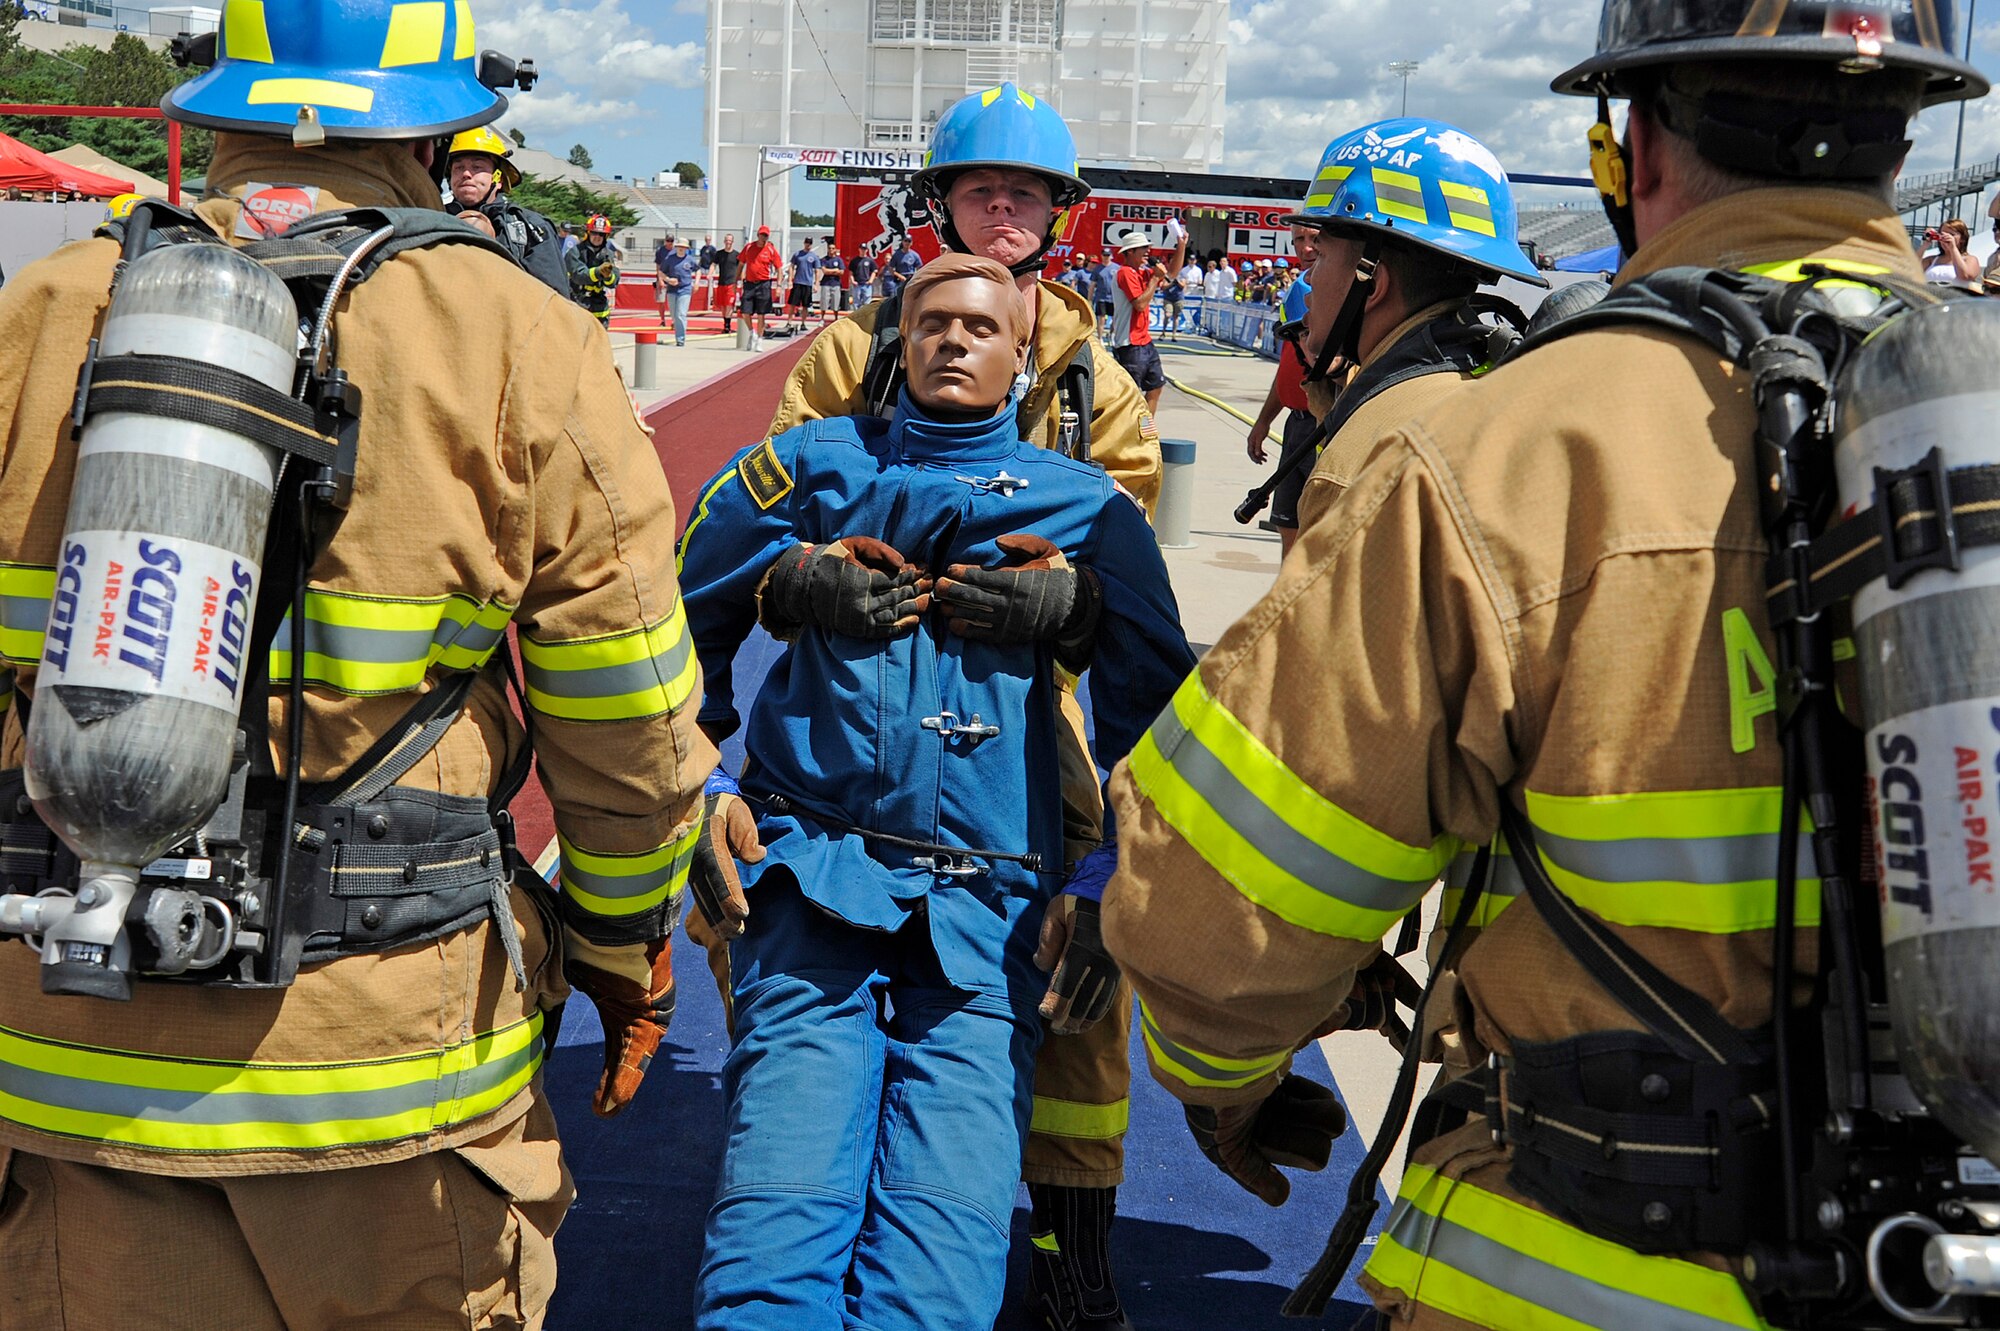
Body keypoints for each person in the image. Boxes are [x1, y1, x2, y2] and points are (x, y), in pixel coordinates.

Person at [1101, 3, 1987, 1328]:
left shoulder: (1517, 444)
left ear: (1632, 143)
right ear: (1904, 133)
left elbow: (1213, 914)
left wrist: (1217, 1075)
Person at [0, 2, 715, 1324]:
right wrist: (625, 944)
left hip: (63, 1050)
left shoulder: (43, 309)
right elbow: (633, 722)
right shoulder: (515, 333)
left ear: (211, 107)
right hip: (388, 1078)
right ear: (444, 125)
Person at [726, 83, 1169, 1331]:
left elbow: (1126, 568)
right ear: (938, 206)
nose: (1003, 211)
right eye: (981, 191)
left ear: (1058, 217)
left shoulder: (1096, 379)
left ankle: (1073, 1253)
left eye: (1024, 196)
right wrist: (797, 580)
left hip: (1034, 723)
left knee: (1073, 994)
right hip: (854, 712)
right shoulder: (852, 347)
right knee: (797, 966)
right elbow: (766, 511)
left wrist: (1064, 607)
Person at [1282, 117, 1546, 530]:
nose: (1309, 277)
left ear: (1371, 284)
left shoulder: (1359, 469)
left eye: (1322, 256)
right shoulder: (1497, 389)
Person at [1243, 224, 1319, 557]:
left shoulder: (1342, 291)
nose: (1306, 248)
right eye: (1298, 240)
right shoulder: (1298, 289)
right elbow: (1289, 365)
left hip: (1323, 425)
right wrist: (1263, 421)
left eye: (1315, 240)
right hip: (1296, 425)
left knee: (1319, 533)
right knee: (1289, 530)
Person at [443, 125, 567, 294]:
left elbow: (554, 300)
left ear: (498, 178)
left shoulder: (532, 229)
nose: (466, 174)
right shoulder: (432, 220)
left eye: (477, 167)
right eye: (458, 167)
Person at [1109, 230, 1181, 416]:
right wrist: (1156, 278)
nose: (1148, 252)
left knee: (1156, 387)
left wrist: (1181, 245)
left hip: (1143, 341)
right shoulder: (1125, 272)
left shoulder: (1142, 272)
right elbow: (1140, 304)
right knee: (1131, 395)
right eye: (1143, 248)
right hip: (1130, 343)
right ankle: (1130, 433)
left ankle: (1145, 431)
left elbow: (1171, 275)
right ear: (1130, 251)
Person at [566, 213, 621, 323]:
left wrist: (608, 276)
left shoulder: (608, 254)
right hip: (576, 302)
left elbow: (614, 282)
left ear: (605, 236)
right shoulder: (575, 252)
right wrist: (598, 272)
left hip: (599, 307)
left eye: (601, 234)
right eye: (594, 233)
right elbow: (578, 276)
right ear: (588, 233)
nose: (597, 237)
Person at [739, 223, 782, 349]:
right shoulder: (749, 248)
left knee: (761, 314)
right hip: (749, 284)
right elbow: (741, 264)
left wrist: (778, 285)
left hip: (764, 284)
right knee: (745, 312)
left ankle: (759, 338)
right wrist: (737, 280)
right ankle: (751, 331)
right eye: (762, 235)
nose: (764, 238)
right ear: (758, 235)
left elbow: (779, 268)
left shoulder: (770, 250)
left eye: (766, 236)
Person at [659, 233, 701, 345]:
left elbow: (698, 270)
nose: (681, 249)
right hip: (672, 290)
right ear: (676, 247)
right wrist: (668, 280)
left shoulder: (690, 260)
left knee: (681, 314)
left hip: (685, 289)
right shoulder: (669, 259)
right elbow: (661, 272)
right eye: (679, 247)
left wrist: (696, 283)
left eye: (684, 247)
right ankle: (676, 326)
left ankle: (680, 339)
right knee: (674, 314)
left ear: (686, 248)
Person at [1921, 217, 1979, 283]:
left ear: (1962, 239)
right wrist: (1924, 245)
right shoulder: (1931, 260)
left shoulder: (1970, 259)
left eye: (1951, 234)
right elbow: (1912, 271)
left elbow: (1965, 276)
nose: (1945, 237)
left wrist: (1953, 248)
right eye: (1942, 234)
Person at [786, 235, 820, 332]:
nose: (808, 245)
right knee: (793, 304)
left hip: (807, 283)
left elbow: (817, 270)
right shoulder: (797, 254)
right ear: (804, 243)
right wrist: (790, 280)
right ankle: (789, 321)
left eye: (809, 243)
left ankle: (803, 323)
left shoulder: (814, 257)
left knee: (805, 305)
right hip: (798, 282)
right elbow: (791, 266)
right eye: (806, 242)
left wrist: (816, 284)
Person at [714, 232, 743, 332]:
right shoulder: (719, 254)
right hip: (721, 282)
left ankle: (727, 326)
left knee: (729, 305)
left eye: (730, 241)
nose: (728, 242)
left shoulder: (737, 255)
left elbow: (741, 268)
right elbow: (713, 264)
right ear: (724, 241)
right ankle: (725, 322)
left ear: (732, 242)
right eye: (726, 240)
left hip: (732, 283)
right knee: (722, 306)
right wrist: (710, 273)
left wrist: (742, 281)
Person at [818, 242, 845, 317]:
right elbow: (825, 271)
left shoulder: (839, 260)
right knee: (824, 302)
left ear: (835, 250)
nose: (831, 250)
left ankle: (835, 318)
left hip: (836, 283)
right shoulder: (824, 259)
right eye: (829, 248)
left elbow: (842, 272)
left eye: (833, 248)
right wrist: (835, 270)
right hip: (826, 283)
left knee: (836, 302)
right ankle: (822, 318)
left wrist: (831, 271)